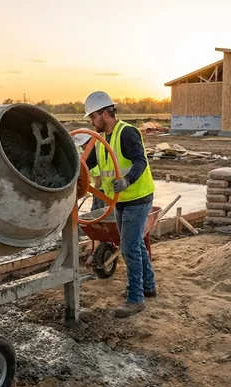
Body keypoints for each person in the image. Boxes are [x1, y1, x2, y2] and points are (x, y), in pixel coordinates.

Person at [82, 91, 156, 318]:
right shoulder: (101, 139)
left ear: (105, 113)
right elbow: (87, 163)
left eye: (93, 117)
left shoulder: (127, 133)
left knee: (130, 247)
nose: (92, 122)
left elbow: (140, 161)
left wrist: (126, 180)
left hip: (137, 197)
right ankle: (149, 286)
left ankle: (135, 299)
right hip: (120, 201)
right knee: (136, 244)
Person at [73, 130, 106, 211]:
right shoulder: (92, 157)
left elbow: (99, 179)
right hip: (100, 191)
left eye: (82, 146)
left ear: (89, 142)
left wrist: (93, 191)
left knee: (97, 211)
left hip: (102, 191)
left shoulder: (96, 156)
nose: (82, 149)